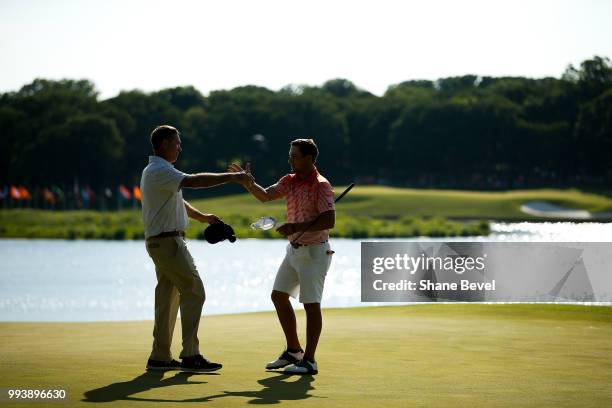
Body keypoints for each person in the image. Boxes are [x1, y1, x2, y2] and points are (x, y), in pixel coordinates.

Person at [141, 125, 252, 373]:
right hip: (168, 243)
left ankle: (159, 357)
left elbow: (178, 199)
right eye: (177, 142)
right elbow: (195, 181)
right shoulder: (160, 169)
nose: (180, 146)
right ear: (164, 143)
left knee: (168, 298)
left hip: (162, 242)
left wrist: (202, 217)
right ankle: (190, 356)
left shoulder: (160, 171)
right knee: (194, 291)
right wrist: (232, 178)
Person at [229, 138, 335, 375]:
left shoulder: (321, 185)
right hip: (294, 250)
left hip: (316, 251)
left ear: (308, 158)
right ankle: (294, 351)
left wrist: (295, 226)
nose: (289, 159)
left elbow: (329, 220)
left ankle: (309, 361)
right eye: (290, 155)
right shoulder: (290, 180)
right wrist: (248, 183)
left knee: (311, 305)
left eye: (294, 156)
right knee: (278, 296)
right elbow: (265, 195)